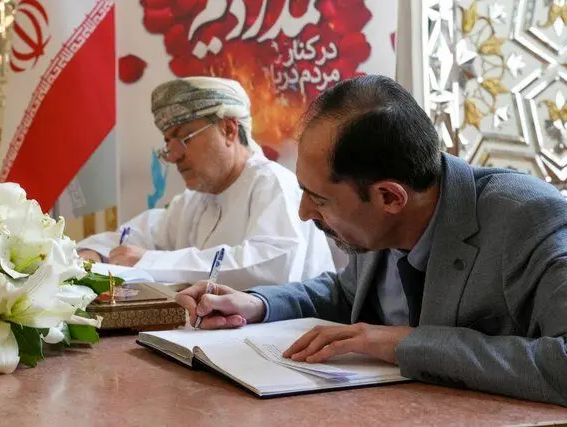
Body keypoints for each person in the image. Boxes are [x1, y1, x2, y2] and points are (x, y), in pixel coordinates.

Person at [175, 75, 567, 406]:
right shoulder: (379, 226)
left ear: (389, 198)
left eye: (320, 199)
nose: (304, 214)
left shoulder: (529, 220)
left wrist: (403, 344)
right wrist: (257, 304)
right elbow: (346, 294)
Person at [77, 76, 335, 289]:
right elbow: (140, 236)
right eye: (168, 144)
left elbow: (271, 267)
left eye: (183, 139)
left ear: (228, 130)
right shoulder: (194, 200)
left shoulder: (273, 183)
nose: (174, 156)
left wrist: (151, 261)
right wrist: (94, 253)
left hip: (293, 332)